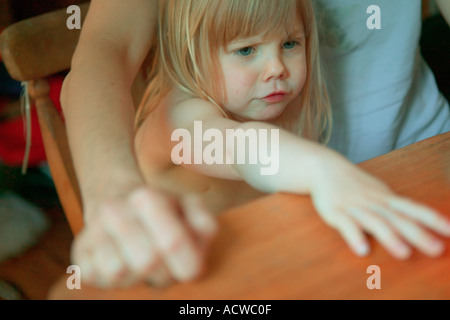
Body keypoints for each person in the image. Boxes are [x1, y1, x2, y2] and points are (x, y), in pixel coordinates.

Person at [61, 0, 450, 288]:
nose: (277, 66)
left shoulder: (291, 102)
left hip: (260, 260)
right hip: (179, 280)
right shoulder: (179, 116)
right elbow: (245, 148)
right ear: (190, 52)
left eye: (290, 44)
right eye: (246, 50)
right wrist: (322, 170)